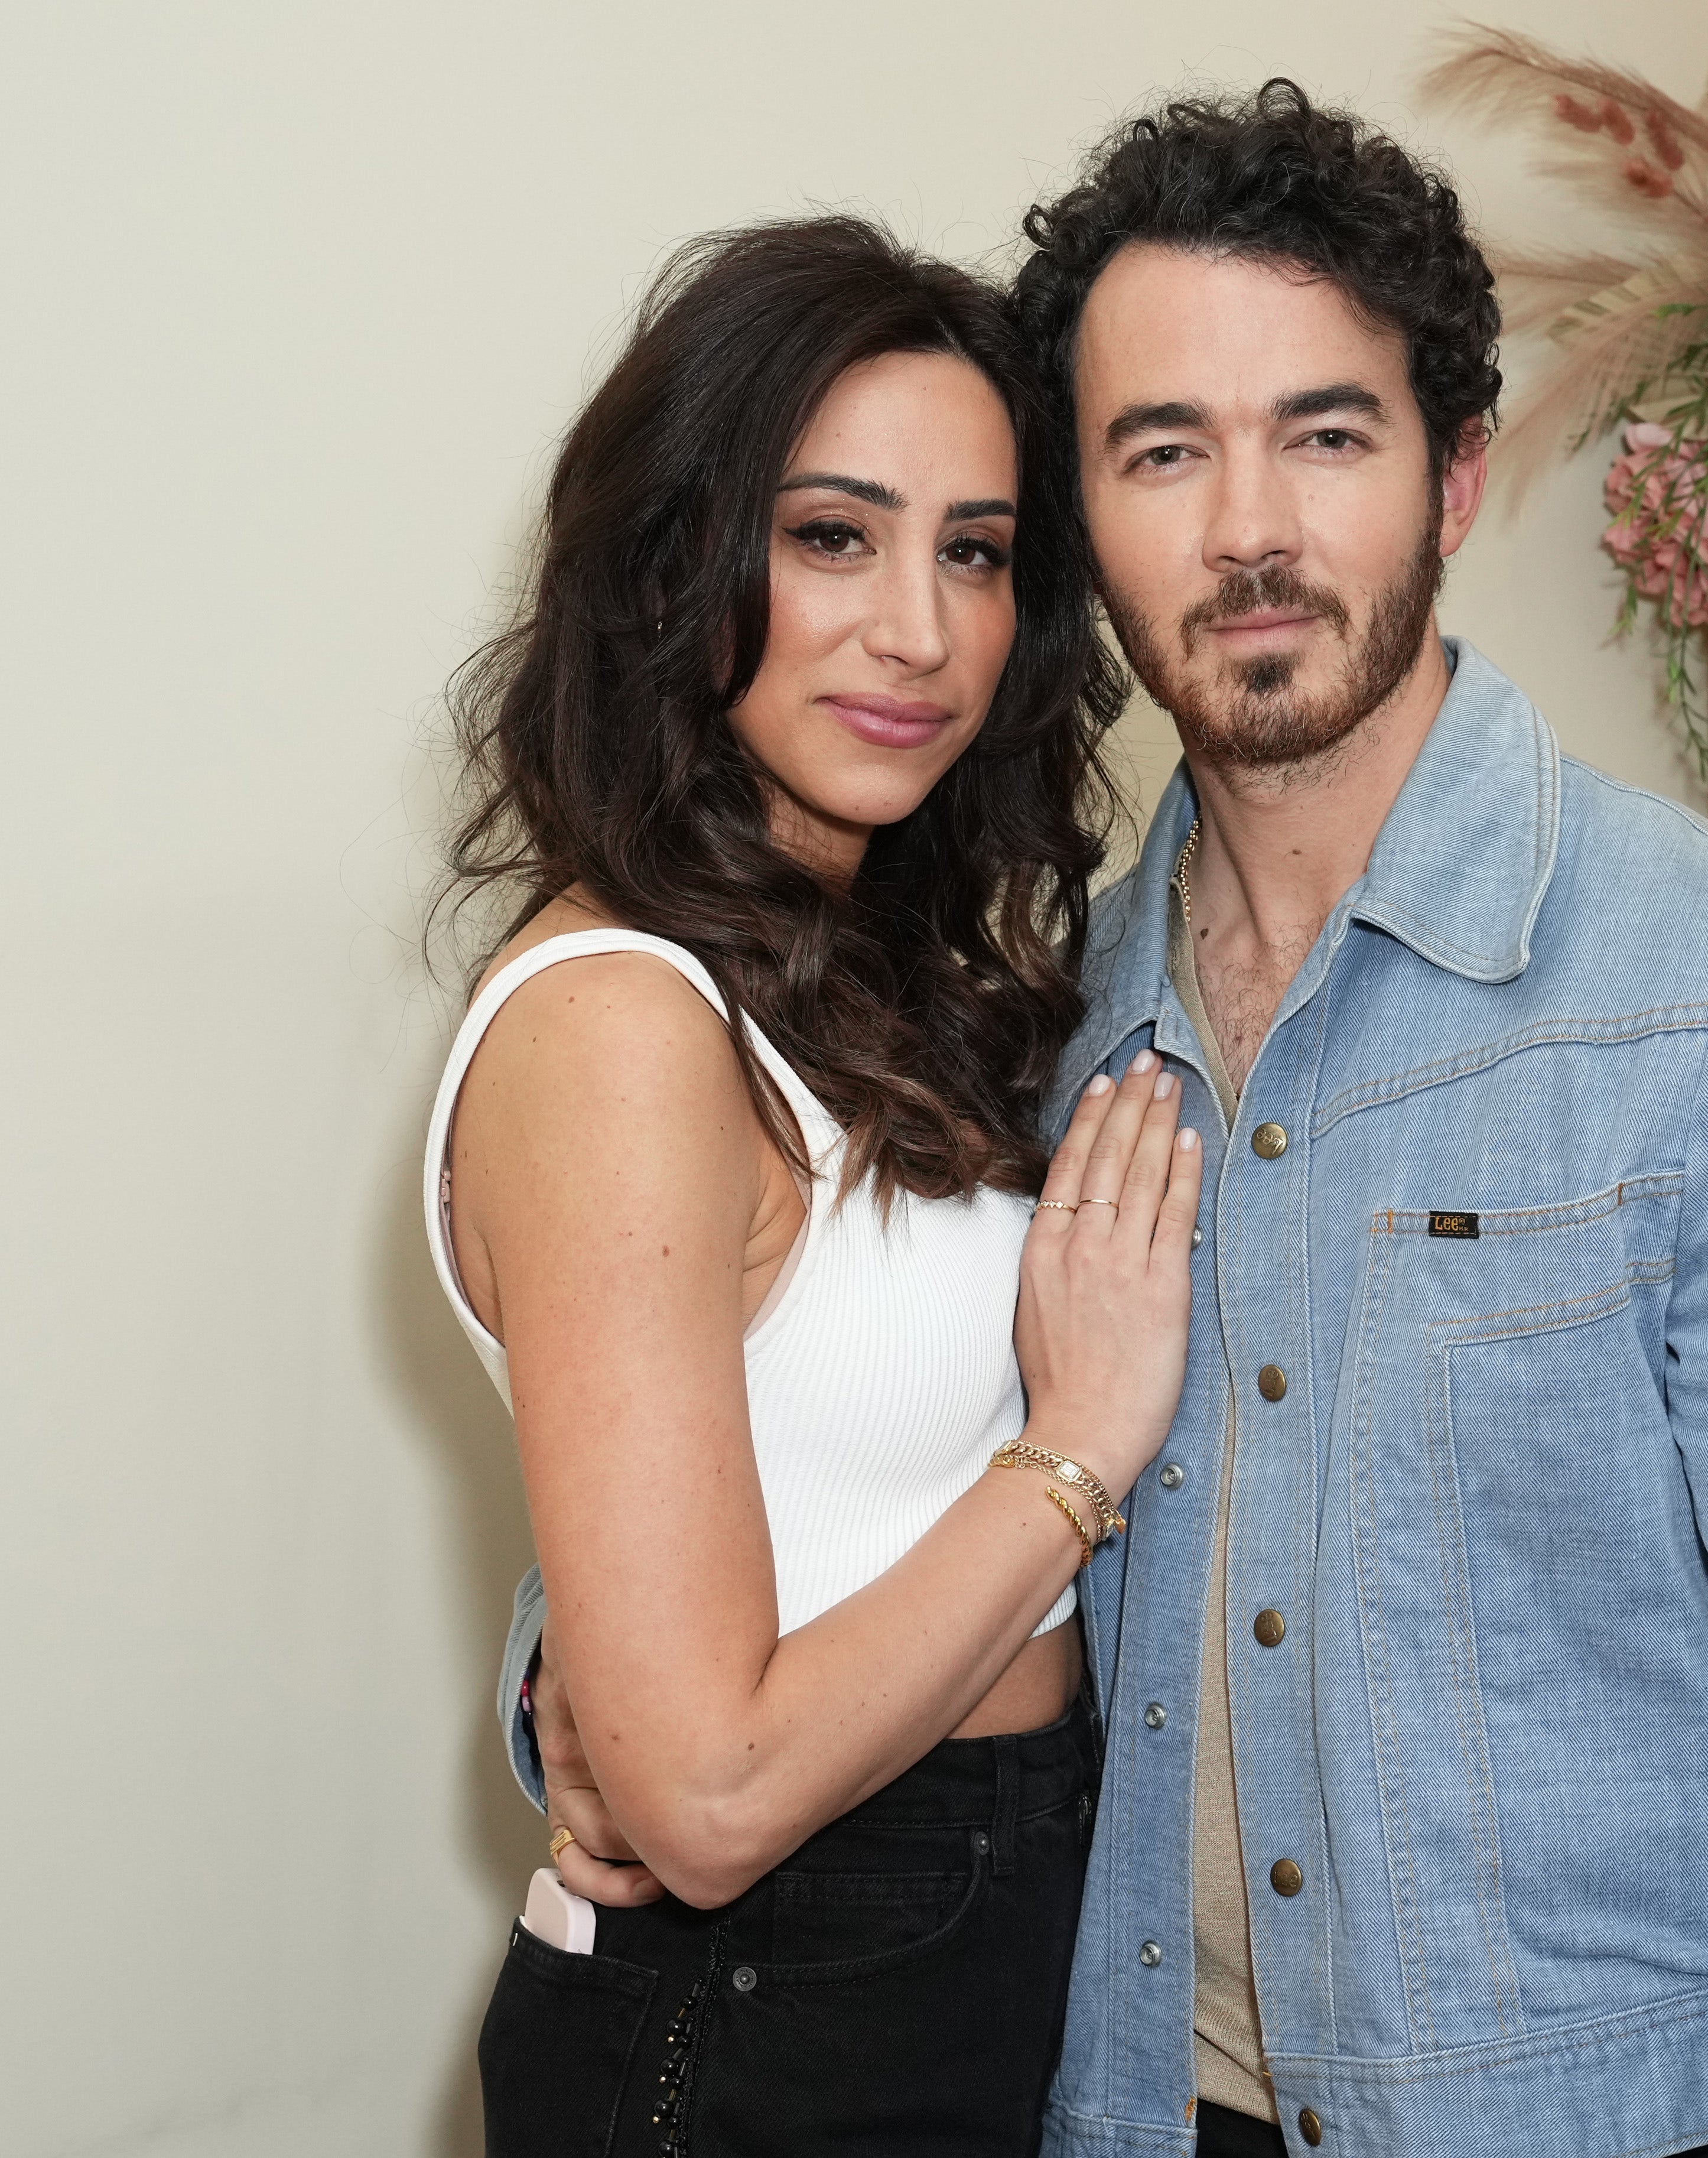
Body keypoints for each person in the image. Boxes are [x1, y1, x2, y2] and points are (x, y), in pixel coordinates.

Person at [517, 86, 1708, 2158]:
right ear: (1085, 521)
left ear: (1454, 480)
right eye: (1164, 451)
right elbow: (790, 1408)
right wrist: (569, 1689)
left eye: (1326, 434)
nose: (1249, 529)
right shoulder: (1028, 1029)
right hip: (1116, 2108)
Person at [432, 216, 1199, 2157]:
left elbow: (782, 1458)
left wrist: (564, 1666)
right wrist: (1082, 1448)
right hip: (775, 2004)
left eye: (974, 551)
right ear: (685, 558)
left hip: (970, 1940)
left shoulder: (890, 976)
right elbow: (702, 1792)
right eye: (833, 535)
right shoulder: (618, 1018)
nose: (920, 631)